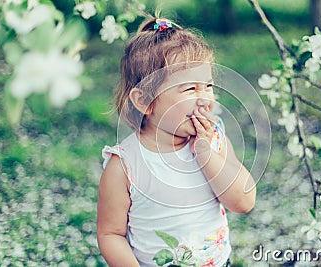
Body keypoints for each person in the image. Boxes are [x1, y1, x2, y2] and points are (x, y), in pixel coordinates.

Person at [97, 16, 256, 267]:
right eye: (190, 89)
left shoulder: (214, 139)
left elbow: (244, 201)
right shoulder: (125, 164)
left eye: (208, 85)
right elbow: (110, 233)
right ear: (144, 101)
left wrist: (205, 154)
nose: (204, 98)